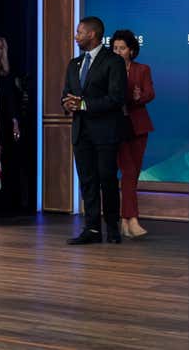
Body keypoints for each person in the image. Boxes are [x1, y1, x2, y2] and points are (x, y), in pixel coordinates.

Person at [62, 16, 127, 245]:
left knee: (107, 179)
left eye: (79, 32)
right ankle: (92, 229)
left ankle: (112, 227)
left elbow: (117, 98)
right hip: (81, 132)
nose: (76, 36)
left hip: (106, 131)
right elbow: (67, 95)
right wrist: (67, 104)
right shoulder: (74, 64)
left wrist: (83, 104)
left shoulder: (113, 61)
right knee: (87, 181)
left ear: (92, 34)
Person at [111, 29, 154, 238]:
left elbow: (149, 93)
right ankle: (132, 219)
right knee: (128, 172)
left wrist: (138, 97)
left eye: (122, 48)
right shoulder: (108, 70)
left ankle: (125, 221)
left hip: (138, 125)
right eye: (115, 48)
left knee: (133, 174)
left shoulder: (142, 69)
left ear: (132, 50)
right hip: (117, 127)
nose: (118, 52)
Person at [0, 36, 21, 214]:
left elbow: (12, 101)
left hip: (2, 123)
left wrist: (15, 123)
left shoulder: (7, 74)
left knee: (0, 159)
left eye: (0, 48)